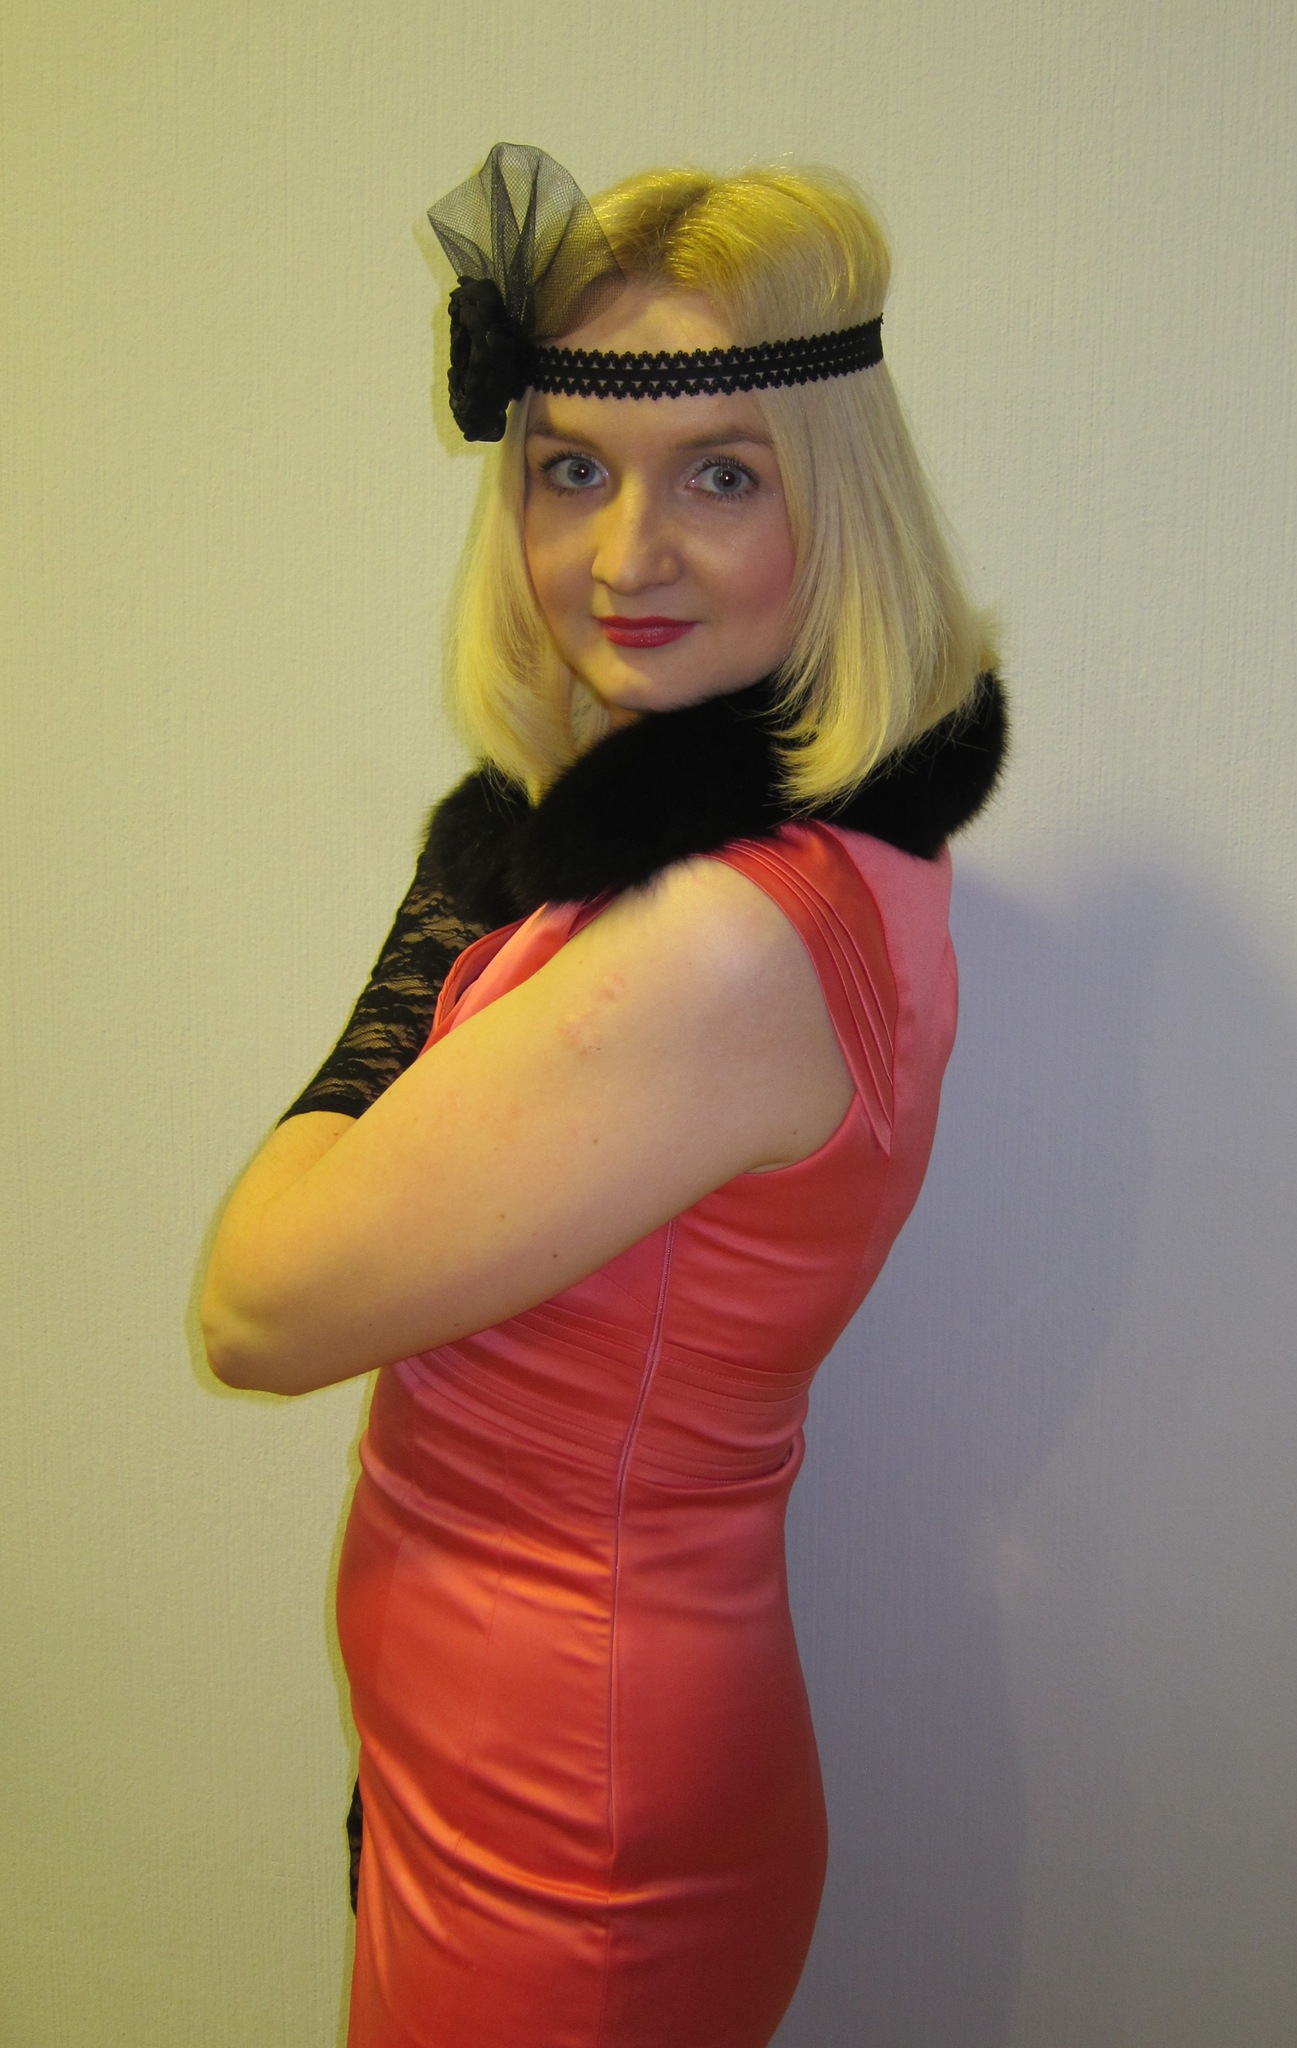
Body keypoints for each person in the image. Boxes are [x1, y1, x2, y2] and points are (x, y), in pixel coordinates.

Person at [201, 144, 1006, 2048]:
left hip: (562, 1819)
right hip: (534, 1748)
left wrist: (439, 916)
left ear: (838, 505)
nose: (626, 555)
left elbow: (258, 1310)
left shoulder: (717, 941)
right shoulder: (810, 862)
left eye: (720, 475)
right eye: (572, 469)